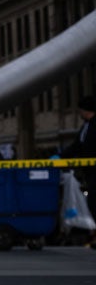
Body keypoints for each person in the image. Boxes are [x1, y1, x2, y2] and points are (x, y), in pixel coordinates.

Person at [59, 94, 96, 244]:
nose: (80, 113)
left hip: (94, 169)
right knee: (92, 201)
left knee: (94, 201)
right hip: (89, 170)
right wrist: (60, 156)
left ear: (88, 110)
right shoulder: (86, 126)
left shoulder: (94, 126)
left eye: (81, 110)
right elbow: (77, 146)